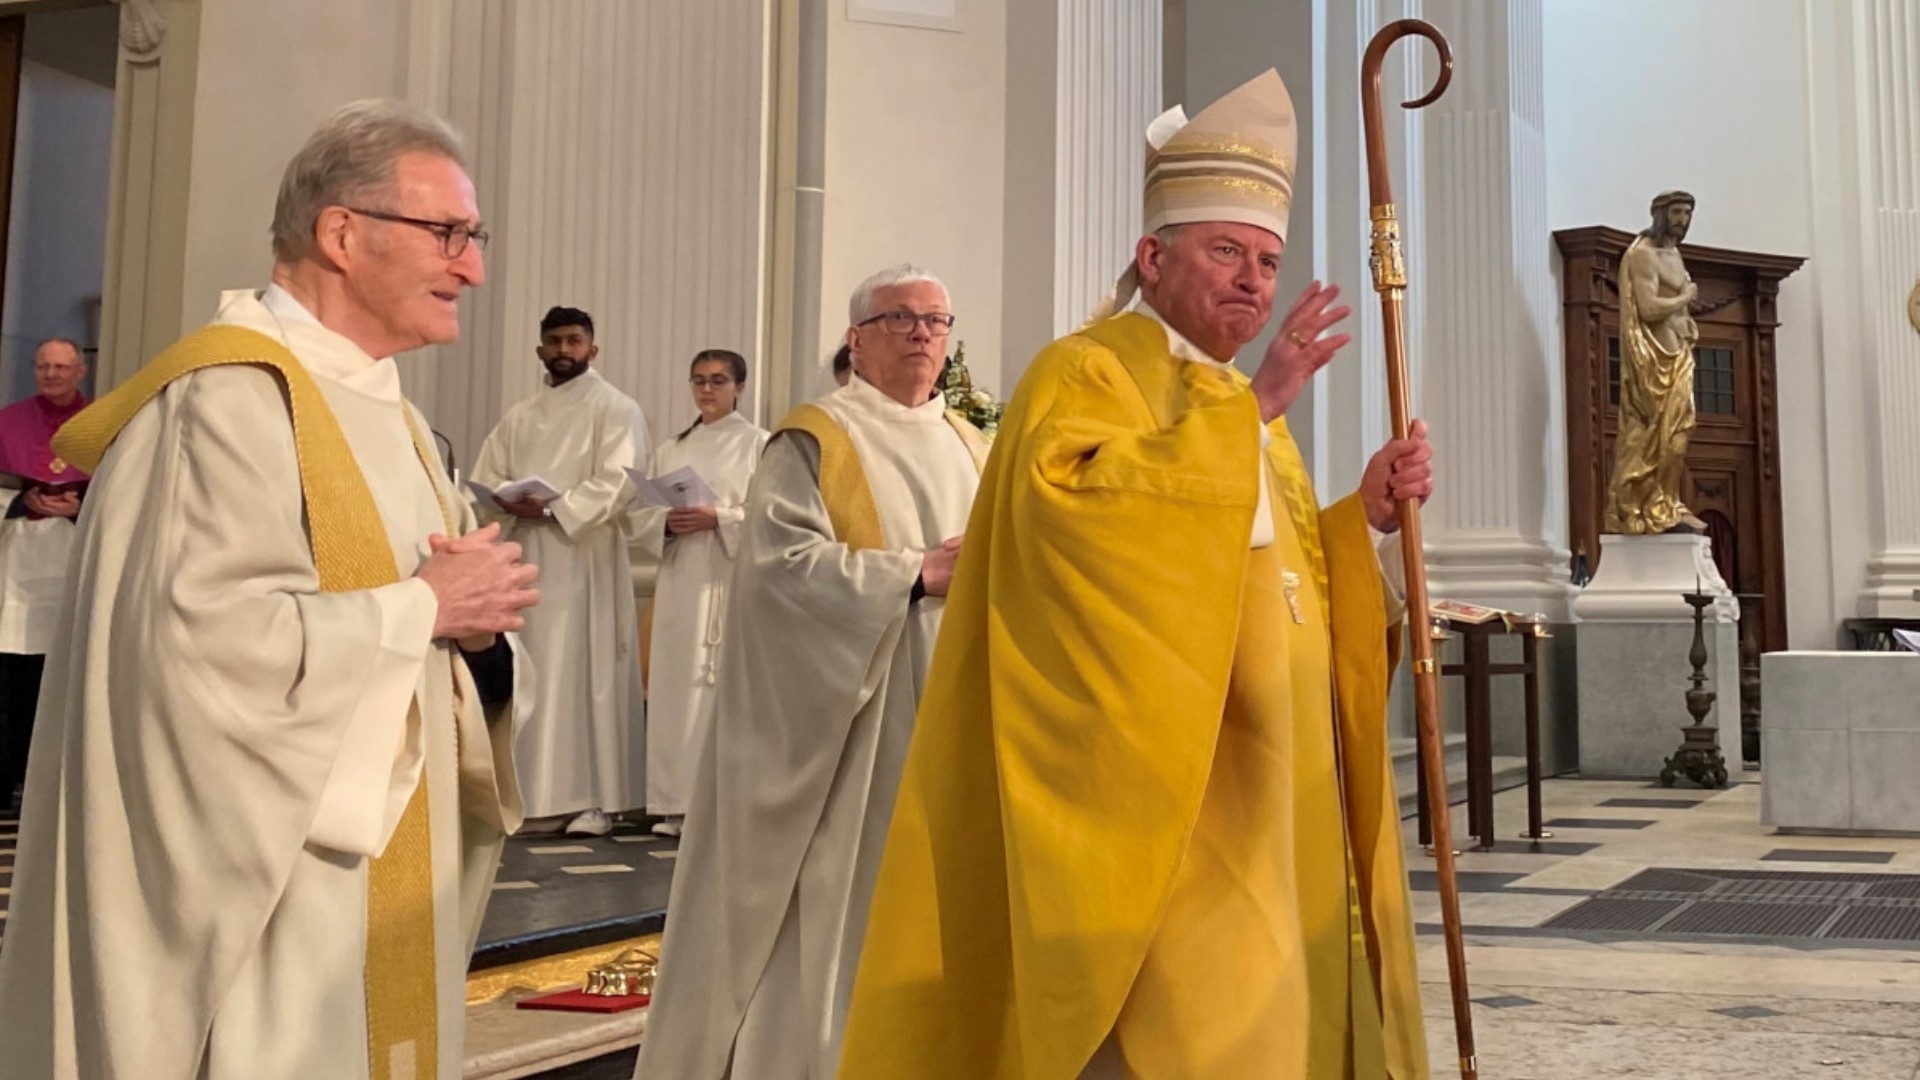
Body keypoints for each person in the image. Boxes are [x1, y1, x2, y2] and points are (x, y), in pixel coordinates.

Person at [838, 70, 1435, 1079]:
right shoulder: (1088, 372)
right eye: (1226, 252)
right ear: (1152, 257)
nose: (1253, 279)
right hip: (1169, 807)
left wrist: (1359, 520)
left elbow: (1281, 579)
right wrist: (1252, 414)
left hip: (1271, 794)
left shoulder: (1232, 400)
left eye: (1267, 261)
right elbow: (1077, 534)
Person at [0, 99, 538, 1080]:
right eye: (451, 234)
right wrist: (425, 610)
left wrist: (481, 640)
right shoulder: (229, 398)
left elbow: (441, 634)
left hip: (377, 884)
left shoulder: (399, 419)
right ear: (342, 233)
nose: (475, 268)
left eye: (476, 237)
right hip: (270, 903)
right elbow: (196, 662)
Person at [634, 265, 990, 1080]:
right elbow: (778, 573)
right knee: (848, 888)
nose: (921, 335)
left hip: (956, 702)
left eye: (936, 320)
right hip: (854, 715)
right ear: (856, 338)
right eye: (899, 318)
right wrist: (911, 574)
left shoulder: (976, 445)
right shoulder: (814, 437)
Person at [470, 306, 650, 837]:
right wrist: (506, 502)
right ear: (540, 350)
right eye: (555, 341)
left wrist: (555, 508)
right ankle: (527, 794)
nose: (564, 350)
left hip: (583, 556)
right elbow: (486, 478)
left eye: (575, 341)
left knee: (581, 671)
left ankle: (592, 798)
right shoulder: (520, 414)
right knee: (533, 670)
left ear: (593, 350)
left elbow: (622, 479)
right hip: (525, 554)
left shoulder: (615, 407)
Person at [635, 349, 769, 838]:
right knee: (675, 690)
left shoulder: (760, 445)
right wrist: (664, 523)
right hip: (679, 580)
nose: (706, 390)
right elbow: (638, 514)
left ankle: (718, 806)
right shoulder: (671, 449)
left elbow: (770, 513)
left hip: (727, 580)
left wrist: (720, 517)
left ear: (740, 388)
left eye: (718, 380)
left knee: (717, 688)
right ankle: (674, 803)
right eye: (698, 380)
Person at [0, 338, 89, 811]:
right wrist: (21, 500)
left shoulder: (101, 424)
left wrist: (83, 505)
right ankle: (7, 776)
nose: (51, 374)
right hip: (18, 565)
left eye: (60, 366)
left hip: (74, 560)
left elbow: (125, 491)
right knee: (14, 674)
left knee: (64, 671)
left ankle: (54, 782)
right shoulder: (8, 422)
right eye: (43, 367)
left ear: (80, 371)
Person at [1605, 189, 1704, 534]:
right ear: (1660, 214)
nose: (1682, 220)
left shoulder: (1674, 253)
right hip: (1654, 363)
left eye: (1687, 213)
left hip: (1679, 354)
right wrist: (1683, 297)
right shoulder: (1643, 255)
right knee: (1650, 434)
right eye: (1676, 212)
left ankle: (1667, 502)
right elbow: (1648, 309)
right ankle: (1638, 504)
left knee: (1680, 432)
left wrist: (1685, 317)